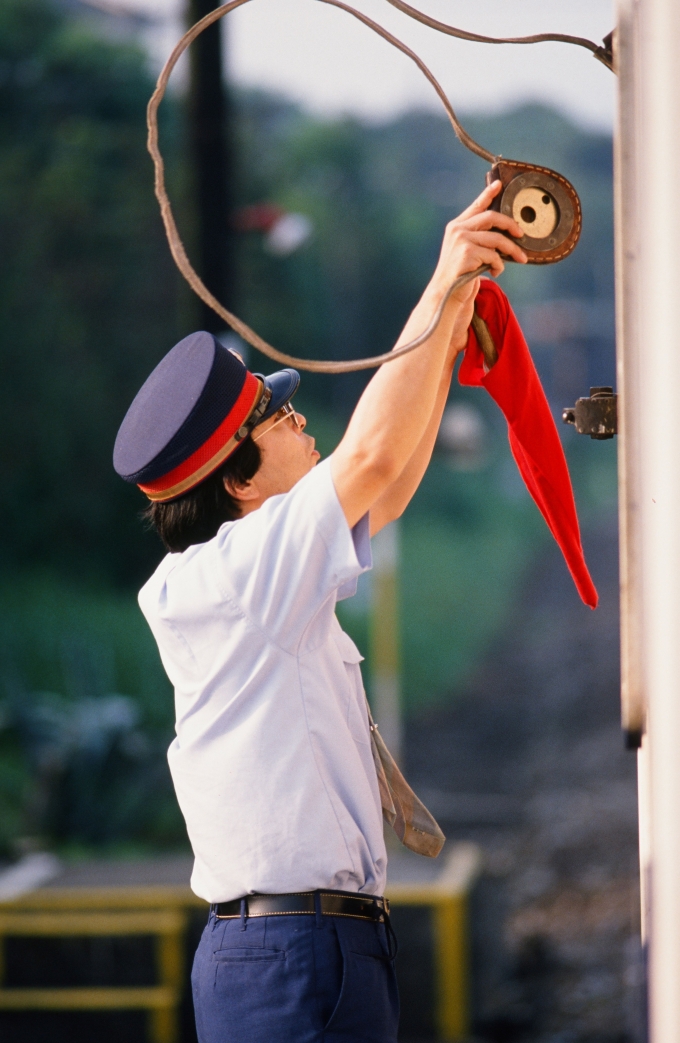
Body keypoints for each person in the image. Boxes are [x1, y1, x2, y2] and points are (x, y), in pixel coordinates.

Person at [113, 180, 526, 1043]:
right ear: (235, 478)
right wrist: (444, 279)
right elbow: (372, 455)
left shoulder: (248, 571)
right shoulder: (234, 574)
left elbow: (393, 479)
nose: (301, 419)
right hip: (293, 950)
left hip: (304, 944)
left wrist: (450, 328)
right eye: (278, 414)